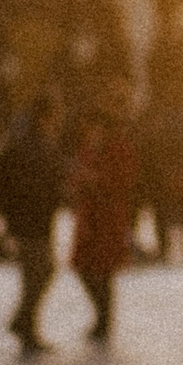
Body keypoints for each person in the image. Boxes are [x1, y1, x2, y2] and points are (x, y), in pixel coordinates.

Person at [0, 93, 66, 352]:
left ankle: (27, 327)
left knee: (35, 273)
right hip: (33, 217)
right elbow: (44, 179)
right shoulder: (36, 144)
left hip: (28, 216)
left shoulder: (26, 141)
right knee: (41, 271)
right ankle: (24, 323)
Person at [68, 102, 137, 342]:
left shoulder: (118, 147)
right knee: (84, 266)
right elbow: (76, 177)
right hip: (89, 214)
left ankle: (104, 320)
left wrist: (96, 180)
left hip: (108, 215)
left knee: (105, 269)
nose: (87, 131)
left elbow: (125, 179)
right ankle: (101, 316)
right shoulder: (87, 148)